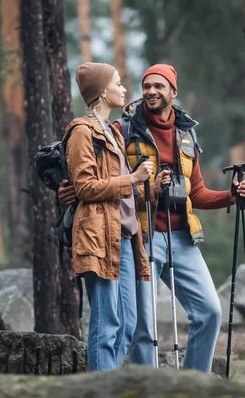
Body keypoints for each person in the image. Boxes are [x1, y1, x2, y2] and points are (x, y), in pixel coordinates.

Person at [59, 64, 245, 373]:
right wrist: (66, 189)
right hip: (143, 235)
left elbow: (197, 192)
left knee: (210, 312)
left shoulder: (187, 134)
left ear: (173, 92)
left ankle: (191, 387)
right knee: (142, 328)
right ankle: (147, 387)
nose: (150, 91)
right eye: (146, 85)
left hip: (183, 237)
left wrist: (230, 196)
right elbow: (88, 172)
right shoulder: (122, 128)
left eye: (158, 86)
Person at [64, 62, 158, 372]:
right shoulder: (81, 131)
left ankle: (110, 384)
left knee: (128, 324)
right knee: (106, 324)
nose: (124, 89)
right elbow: (86, 187)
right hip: (98, 236)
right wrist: (132, 179)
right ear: (103, 91)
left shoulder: (113, 134)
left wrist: (151, 187)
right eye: (118, 83)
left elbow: (122, 194)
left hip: (127, 238)